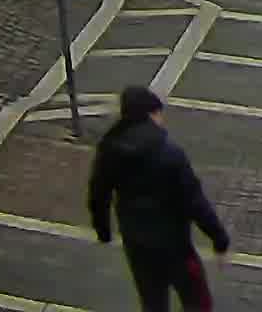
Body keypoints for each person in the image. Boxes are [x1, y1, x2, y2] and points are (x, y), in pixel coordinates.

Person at [87, 86, 228, 311]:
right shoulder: (169, 153)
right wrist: (219, 239)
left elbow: (98, 194)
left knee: (153, 302)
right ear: (151, 114)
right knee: (197, 301)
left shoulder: (110, 149)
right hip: (175, 245)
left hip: (137, 243)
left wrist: (103, 230)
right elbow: (194, 201)